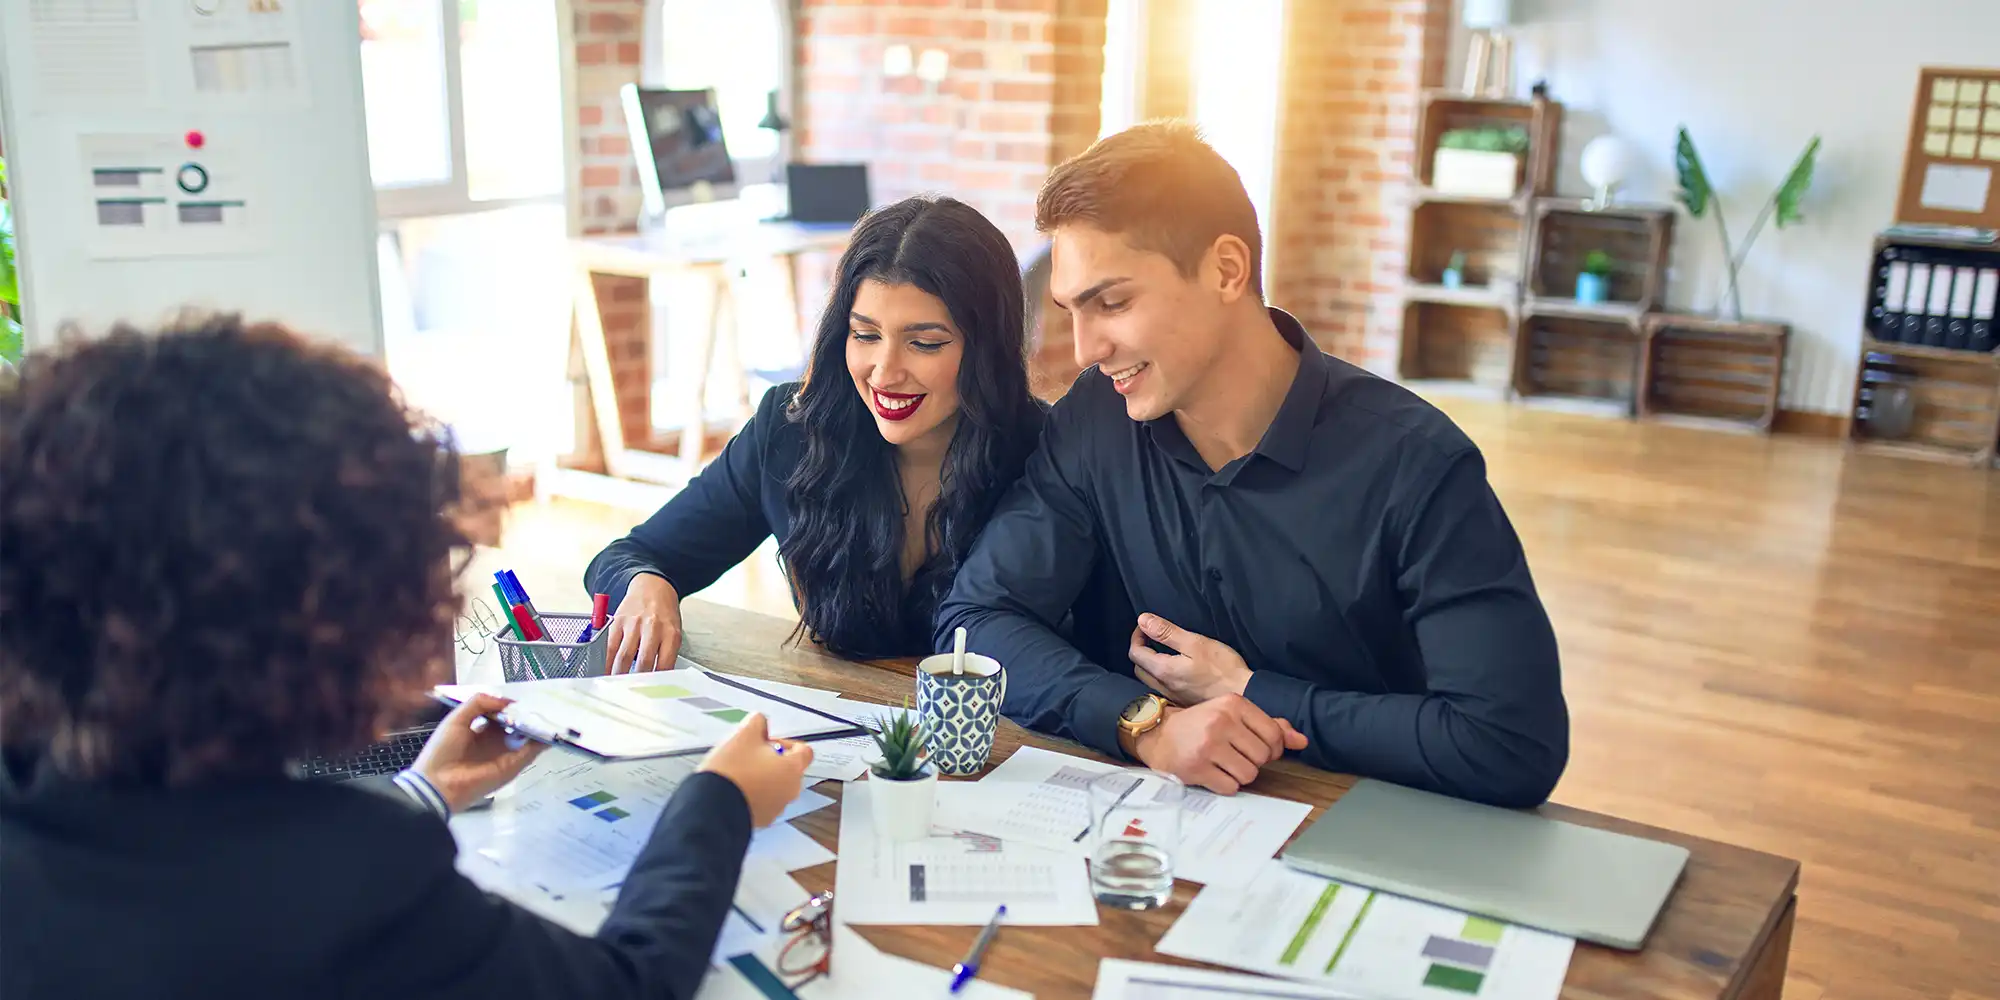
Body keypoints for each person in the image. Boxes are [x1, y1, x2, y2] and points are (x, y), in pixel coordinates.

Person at [0, 316, 814, 999]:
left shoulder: (30, 793)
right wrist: (719, 800)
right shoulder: (358, 871)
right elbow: (624, 985)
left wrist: (423, 790)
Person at [936, 122, 1569, 808]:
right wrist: (1143, 723)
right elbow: (975, 622)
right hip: (1154, 830)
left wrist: (1250, 696)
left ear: (1227, 270)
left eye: (1112, 303)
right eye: (1071, 310)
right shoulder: (1097, 419)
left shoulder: (1416, 465)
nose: (1086, 347)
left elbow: (1509, 742)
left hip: (1365, 837)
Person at [586, 195, 1045, 670]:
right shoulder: (791, 433)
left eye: (924, 343)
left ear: (986, 348)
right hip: (829, 727)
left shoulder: (1046, 453)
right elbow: (629, 556)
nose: (884, 373)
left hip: (997, 739)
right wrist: (647, 586)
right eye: (865, 335)